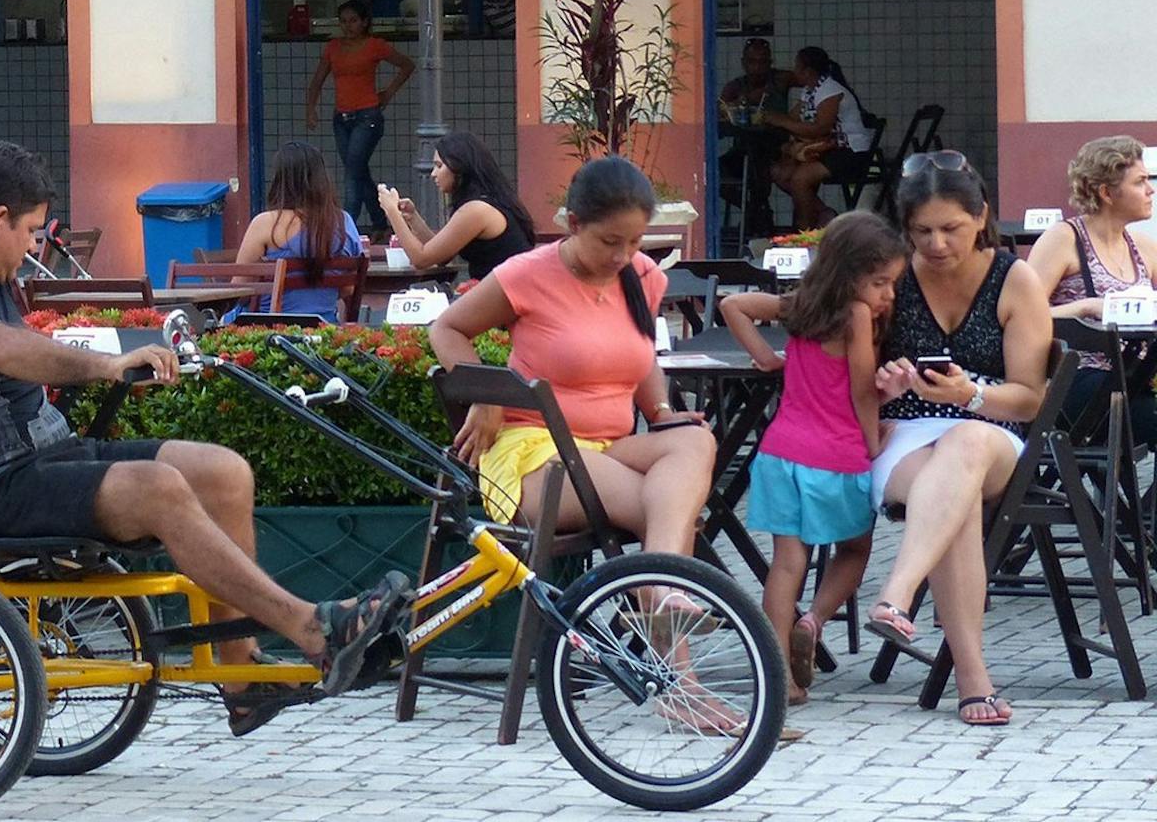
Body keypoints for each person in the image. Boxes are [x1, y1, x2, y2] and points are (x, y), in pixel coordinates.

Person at [0, 141, 411, 735]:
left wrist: (124, 359)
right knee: (160, 487)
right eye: (32, 231)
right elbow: (3, 350)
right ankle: (313, 627)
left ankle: (242, 680)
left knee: (223, 471)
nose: (36, 248)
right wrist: (103, 366)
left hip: (45, 459)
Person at [430, 158, 716, 572]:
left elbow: (640, 353)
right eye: (610, 241)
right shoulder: (527, 274)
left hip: (611, 446)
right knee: (667, 510)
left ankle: (658, 597)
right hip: (533, 450)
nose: (624, 255)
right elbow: (447, 329)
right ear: (575, 224)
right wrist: (487, 394)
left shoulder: (644, 275)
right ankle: (662, 599)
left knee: (695, 441)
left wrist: (663, 414)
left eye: (635, 242)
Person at [864, 153, 1050, 727]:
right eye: (922, 231)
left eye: (952, 228)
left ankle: (897, 591)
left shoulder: (1012, 278)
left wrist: (969, 396)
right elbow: (846, 365)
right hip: (906, 434)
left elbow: (1029, 396)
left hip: (989, 426)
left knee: (965, 447)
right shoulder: (890, 274)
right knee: (953, 498)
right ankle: (974, 680)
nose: (937, 244)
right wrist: (884, 384)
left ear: (982, 216)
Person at [720, 212, 905, 706]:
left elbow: (732, 304)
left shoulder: (801, 305)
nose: (888, 293)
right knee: (855, 551)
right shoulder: (857, 316)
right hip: (837, 458)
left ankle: (780, 675)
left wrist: (765, 358)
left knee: (787, 564)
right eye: (880, 282)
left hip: (780, 454)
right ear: (850, 275)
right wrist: (872, 444)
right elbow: (863, 389)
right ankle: (814, 620)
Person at [1024, 135, 1157, 447]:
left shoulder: (1143, 247)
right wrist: (1084, 307)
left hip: (1135, 376)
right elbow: (1019, 315)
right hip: (1078, 380)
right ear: (1106, 192)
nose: (1151, 190)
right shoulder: (1063, 239)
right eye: (1140, 182)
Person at [303, 0, 413, 232]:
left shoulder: (375, 45)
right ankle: (381, 224)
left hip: (367, 116)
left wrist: (389, 92)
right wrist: (311, 109)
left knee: (353, 173)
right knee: (358, 171)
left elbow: (407, 65)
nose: (348, 26)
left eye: (353, 21)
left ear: (364, 22)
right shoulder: (333, 47)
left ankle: (346, 226)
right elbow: (317, 81)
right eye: (343, 21)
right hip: (341, 118)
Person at [375, 130, 535, 281]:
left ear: (460, 167)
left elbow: (421, 259)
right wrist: (412, 218)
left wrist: (392, 213)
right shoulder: (483, 203)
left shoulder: (477, 210)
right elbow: (441, 256)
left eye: (439, 166)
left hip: (508, 299)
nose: (433, 174)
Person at [234, 140, 364, 322]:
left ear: (280, 180)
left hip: (269, 331)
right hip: (325, 328)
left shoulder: (265, 223)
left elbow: (239, 292)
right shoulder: (344, 222)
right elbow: (347, 289)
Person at [763, 46, 875, 229]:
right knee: (780, 173)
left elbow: (820, 129)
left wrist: (782, 122)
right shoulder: (809, 90)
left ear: (807, 71)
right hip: (828, 148)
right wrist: (774, 118)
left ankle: (805, 233)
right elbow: (793, 118)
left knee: (801, 179)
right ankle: (824, 213)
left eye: (797, 66)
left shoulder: (830, 91)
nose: (794, 71)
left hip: (850, 152)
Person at [718, 39, 793, 238]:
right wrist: (741, 101)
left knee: (758, 161)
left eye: (763, 62)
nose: (758, 67)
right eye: (752, 62)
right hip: (744, 148)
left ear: (770, 62)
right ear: (744, 62)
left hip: (777, 147)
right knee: (716, 173)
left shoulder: (780, 80)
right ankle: (755, 211)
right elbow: (720, 110)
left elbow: (811, 76)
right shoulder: (735, 86)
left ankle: (756, 213)